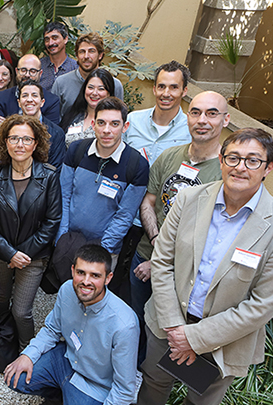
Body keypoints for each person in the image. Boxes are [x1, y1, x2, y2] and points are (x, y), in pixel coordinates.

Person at [137, 128, 273, 404]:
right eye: (233, 158)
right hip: (167, 325)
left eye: (252, 160)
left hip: (222, 340)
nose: (240, 167)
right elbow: (163, 261)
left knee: (201, 400)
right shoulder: (189, 199)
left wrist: (195, 338)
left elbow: (263, 304)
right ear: (221, 159)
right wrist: (176, 329)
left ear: (269, 168)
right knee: (153, 385)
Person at [128, 90, 229, 366]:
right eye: (195, 112)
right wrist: (155, 250)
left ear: (226, 119)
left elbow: (217, 234)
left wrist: (160, 262)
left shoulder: (227, 172)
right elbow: (148, 204)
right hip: (143, 256)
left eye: (212, 113)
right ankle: (134, 373)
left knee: (167, 335)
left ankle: (154, 379)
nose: (202, 120)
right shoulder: (170, 157)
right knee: (138, 322)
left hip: (184, 273)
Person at [3, 244, 139, 405]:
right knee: (15, 378)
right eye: (81, 273)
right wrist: (28, 355)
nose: (86, 282)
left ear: (108, 278)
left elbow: (124, 390)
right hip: (67, 359)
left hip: (94, 384)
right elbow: (52, 329)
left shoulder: (124, 324)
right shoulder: (67, 289)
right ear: (73, 270)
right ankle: (60, 393)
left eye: (95, 275)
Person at [0, 115, 61, 350]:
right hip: (0, 254)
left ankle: (28, 350)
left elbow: (52, 221)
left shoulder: (49, 176)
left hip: (32, 257)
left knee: (22, 311)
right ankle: (3, 342)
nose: (20, 144)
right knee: (1, 303)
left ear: (36, 144)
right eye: (14, 138)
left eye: (26, 139)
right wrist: (9, 253)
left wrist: (22, 253)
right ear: (5, 142)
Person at [116, 60, 192, 313]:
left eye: (173, 87)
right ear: (154, 89)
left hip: (161, 222)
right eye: (161, 86)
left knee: (149, 299)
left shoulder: (191, 129)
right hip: (127, 216)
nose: (166, 93)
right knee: (117, 284)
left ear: (184, 90)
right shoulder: (133, 121)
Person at [57, 97, 149, 271]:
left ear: (125, 127)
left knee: (95, 296)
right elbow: (64, 197)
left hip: (104, 248)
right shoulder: (76, 150)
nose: (107, 130)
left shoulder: (137, 165)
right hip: (69, 241)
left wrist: (102, 252)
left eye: (115, 124)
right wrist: (62, 238)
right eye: (101, 123)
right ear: (93, 124)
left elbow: (125, 215)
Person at [52, 32, 124, 118]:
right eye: (82, 52)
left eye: (91, 51)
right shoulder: (61, 83)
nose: (86, 56)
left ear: (100, 55)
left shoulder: (114, 85)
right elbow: (53, 119)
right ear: (77, 55)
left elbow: (119, 118)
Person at [0, 54, 62, 128]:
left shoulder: (52, 101)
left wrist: (7, 125)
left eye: (33, 71)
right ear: (16, 71)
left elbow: (51, 133)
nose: (27, 75)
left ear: (40, 74)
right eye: (23, 70)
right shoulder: (1, 97)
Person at [16, 79, 67, 169]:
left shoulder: (56, 133)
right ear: (19, 103)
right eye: (25, 96)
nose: (29, 100)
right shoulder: (11, 130)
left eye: (34, 95)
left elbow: (55, 168)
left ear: (42, 102)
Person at [58, 68, 116, 146]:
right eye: (90, 87)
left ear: (109, 93)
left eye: (101, 89)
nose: (94, 93)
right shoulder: (72, 113)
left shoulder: (114, 120)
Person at [39, 21, 78, 92]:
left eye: (55, 38)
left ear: (65, 39)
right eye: (47, 39)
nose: (50, 43)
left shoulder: (75, 68)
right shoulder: (39, 66)